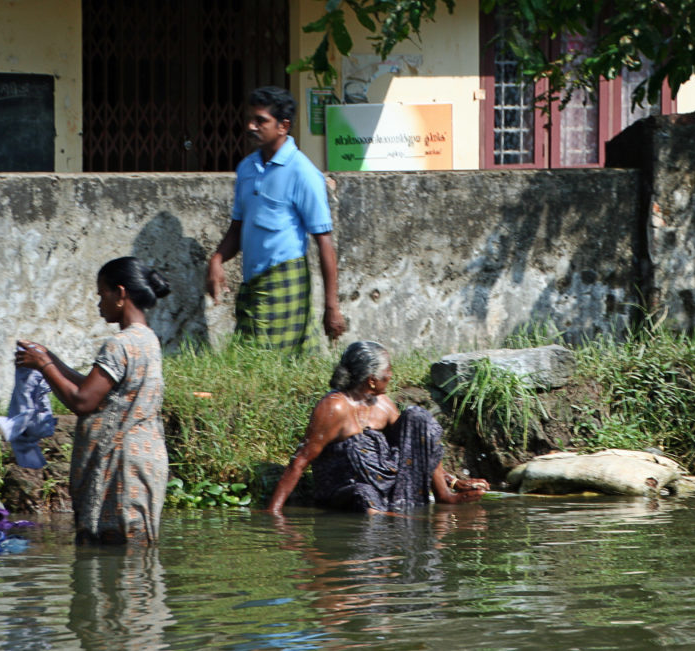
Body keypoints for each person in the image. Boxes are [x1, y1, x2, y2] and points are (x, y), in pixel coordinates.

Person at [16, 257, 171, 545]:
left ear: (121, 293)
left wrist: (44, 366)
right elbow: (97, 388)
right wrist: (50, 360)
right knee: (135, 557)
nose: (100, 304)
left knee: (115, 555)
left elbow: (83, 401)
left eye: (103, 295)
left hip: (121, 463)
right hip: (144, 459)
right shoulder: (147, 339)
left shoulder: (119, 344)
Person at [268, 341, 489, 514]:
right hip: (348, 489)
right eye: (388, 371)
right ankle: (398, 518)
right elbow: (301, 460)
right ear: (372, 380)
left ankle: (442, 496)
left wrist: (453, 482)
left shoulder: (383, 405)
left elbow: (416, 446)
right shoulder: (333, 407)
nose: (391, 375)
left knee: (418, 418)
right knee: (364, 496)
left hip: (385, 484)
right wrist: (273, 512)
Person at [206, 85, 346, 351]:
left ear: (283, 126)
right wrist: (217, 259)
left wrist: (332, 307)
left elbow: (324, 243)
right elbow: (238, 228)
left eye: (261, 121)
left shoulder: (303, 172)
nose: (251, 126)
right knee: (250, 363)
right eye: (250, 119)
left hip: (285, 282)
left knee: (276, 366)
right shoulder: (247, 168)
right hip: (252, 287)